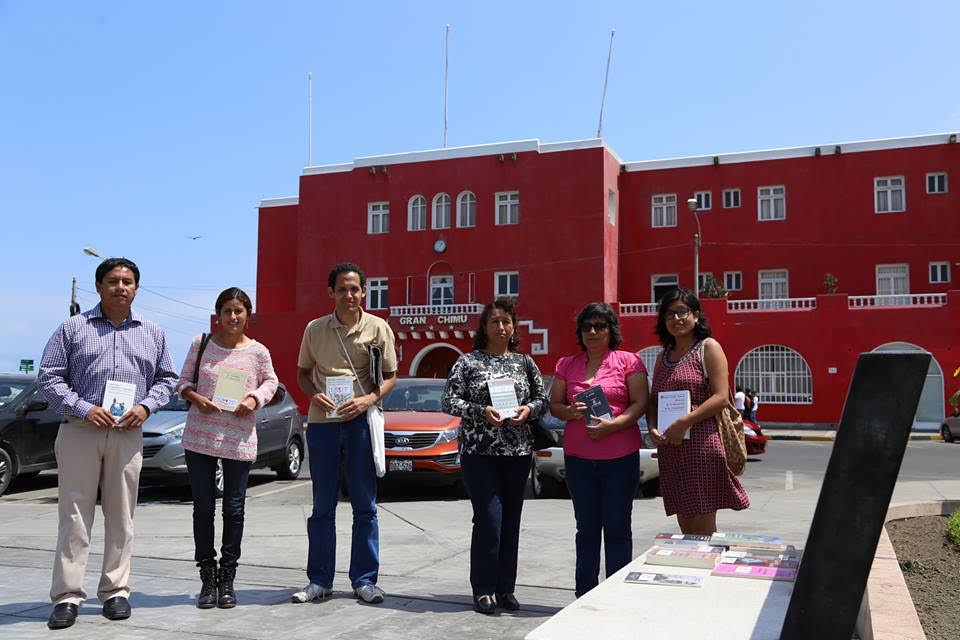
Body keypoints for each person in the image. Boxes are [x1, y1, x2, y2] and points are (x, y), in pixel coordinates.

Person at [37, 257, 178, 630]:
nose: (121, 287)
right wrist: (84, 408)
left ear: (136, 288)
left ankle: (116, 591)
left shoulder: (153, 332)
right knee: (74, 515)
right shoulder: (72, 328)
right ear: (98, 287)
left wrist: (146, 407)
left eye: (128, 281)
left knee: (121, 515)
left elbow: (167, 379)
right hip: (80, 431)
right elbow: (49, 378)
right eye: (113, 281)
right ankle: (67, 596)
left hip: (127, 433)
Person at [292, 262, 397, 605]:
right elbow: (304, 373)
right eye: (342, 289)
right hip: (323, 424)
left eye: (354, 289)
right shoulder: (315, 329)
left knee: (364, 504)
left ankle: (364, 579)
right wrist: (313, 394)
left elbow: (390, 376)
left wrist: (368, 398)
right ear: (331, 293)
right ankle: (319, 580)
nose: (349, 295)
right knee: (322, 505)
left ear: (363, 291)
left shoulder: (378, 328)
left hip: (360, 424)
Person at [441, 298, 548, 614]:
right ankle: (483, 588)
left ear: (513, 327)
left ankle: (506, 589)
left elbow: (542, 398)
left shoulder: (525, 363)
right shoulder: (468, 362)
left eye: (506, 321)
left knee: (511, 521)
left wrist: (528, 410)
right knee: (489, 518)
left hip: (517, 452)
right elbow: (448, 401)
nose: (501, 327)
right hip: (480, 452)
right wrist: (479, 411)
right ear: (484, 327)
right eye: (494, 321)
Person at [175, 288, 279, 609]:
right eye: (227, 311)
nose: (232, 317)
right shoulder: (201, 343)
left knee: (234, 510)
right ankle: (207, 578)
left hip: (238, 438)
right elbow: (182, 383)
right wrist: (196, 398)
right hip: (200, 437)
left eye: (239, 311)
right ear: (217, 314)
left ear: (248, 315)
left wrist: (254, 399)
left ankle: (228, 577)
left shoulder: (259, 352)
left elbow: (271, 382)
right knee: (203, 508)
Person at [549, 302, 648, 598]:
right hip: (579, 460)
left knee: (617, 528)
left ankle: (617, 596)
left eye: (599, 326)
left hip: (620, 458)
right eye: (587, 327)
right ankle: (585, 594)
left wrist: (613, 425)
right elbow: (554, 405)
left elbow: (640, 402)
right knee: (587, 530)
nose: (592, 332)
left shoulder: (628, 361)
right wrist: (569, 411)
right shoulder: (567, 364)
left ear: (610, 330)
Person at [647, 288, 749, 536]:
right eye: (669, 314)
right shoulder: (663, 357)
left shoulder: (708, 347)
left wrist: (685, 421)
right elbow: (653, 402)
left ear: (696, 315)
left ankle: (708, 569)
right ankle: (690, 571)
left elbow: (721, 397)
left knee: (703, 527)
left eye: (682, 312)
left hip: (702, 444)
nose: (676, 319)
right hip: (671, 447)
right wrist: (651, 428)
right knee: (685, 524)